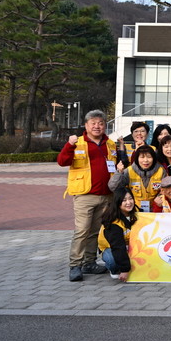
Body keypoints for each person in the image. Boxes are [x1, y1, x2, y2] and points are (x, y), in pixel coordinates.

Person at [57, 109, 117, 281]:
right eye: (93, 123)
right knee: (82, 230)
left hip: (106, 195)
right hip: (85, 195)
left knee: (95, 231)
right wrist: (69, 145)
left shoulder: (110, 144)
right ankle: (75, 265)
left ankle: (89, 262)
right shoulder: (77, 143)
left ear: (105, 125)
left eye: (101, 123)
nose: (97, 126)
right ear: (86, 125)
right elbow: (62, 161)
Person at [109, 144, 165, 213]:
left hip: (155, 209)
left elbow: (165, 190)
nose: (145, 160)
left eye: (149, 157)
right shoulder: (129, 171)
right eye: (142, 157)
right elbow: (113, 187)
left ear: (154, 158)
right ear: (137, 158)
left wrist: (160, 197)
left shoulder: (161, 170)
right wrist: (119, 173)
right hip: (134, 209)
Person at [98, 190, 138, 282]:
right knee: (112, 259)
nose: (128, 202)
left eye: (130, 199)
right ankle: (115, 269)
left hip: (130, 246)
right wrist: (125, 270)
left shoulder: (137, 213)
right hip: (112, 248)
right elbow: (118, 247)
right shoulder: (113, 223)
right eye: (124, 200)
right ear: (117, 202)